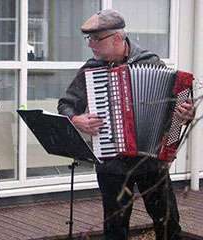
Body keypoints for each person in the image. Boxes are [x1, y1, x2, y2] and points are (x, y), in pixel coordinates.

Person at [58, 9, 195, 240]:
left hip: (151, 160)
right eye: (89, 39)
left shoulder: (150, 62)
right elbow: (65, 105)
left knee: (167, 222)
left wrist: (186, 112)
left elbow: (176, 107)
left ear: (117, 39)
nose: (91, 45)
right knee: (115, 227)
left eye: (96, 39)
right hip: (112, 165)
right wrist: (77, 120)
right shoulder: (91, 69)